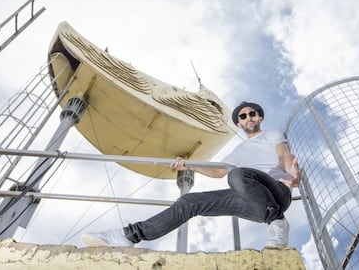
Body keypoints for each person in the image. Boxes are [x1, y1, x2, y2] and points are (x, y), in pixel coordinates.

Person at [81, 101, 301, 249]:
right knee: (189, 201)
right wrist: (188, 166)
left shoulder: (272, 134)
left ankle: (277, 222)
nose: (248, 118)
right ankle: (129, 235)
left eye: (252, 114)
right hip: (251, 203)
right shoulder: (238, 151)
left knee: (237, 176)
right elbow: (217, 172)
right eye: (243, 116)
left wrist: (290, 169)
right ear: (239, 123)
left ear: (259, 117)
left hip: (275, 191)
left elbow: (282, 153)